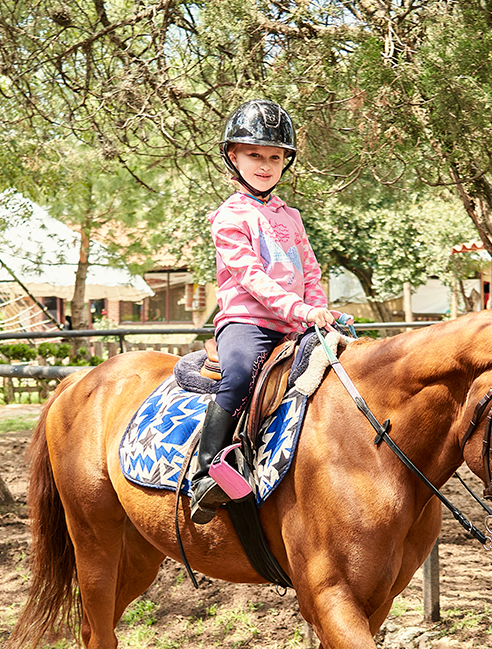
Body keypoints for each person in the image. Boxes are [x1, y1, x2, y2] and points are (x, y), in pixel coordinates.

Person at [188, 99, 346, 524]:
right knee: (239, 375)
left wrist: (318, 308)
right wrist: (299, 309)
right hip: (249, 323)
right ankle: (204, 473)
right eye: (254, 154)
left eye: (274, 157)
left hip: (297, 323)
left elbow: (309, 269)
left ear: (285, 164)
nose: (265, 164)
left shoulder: (290, 216)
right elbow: (250, 276)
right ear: (232, 157)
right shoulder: (228, 217)